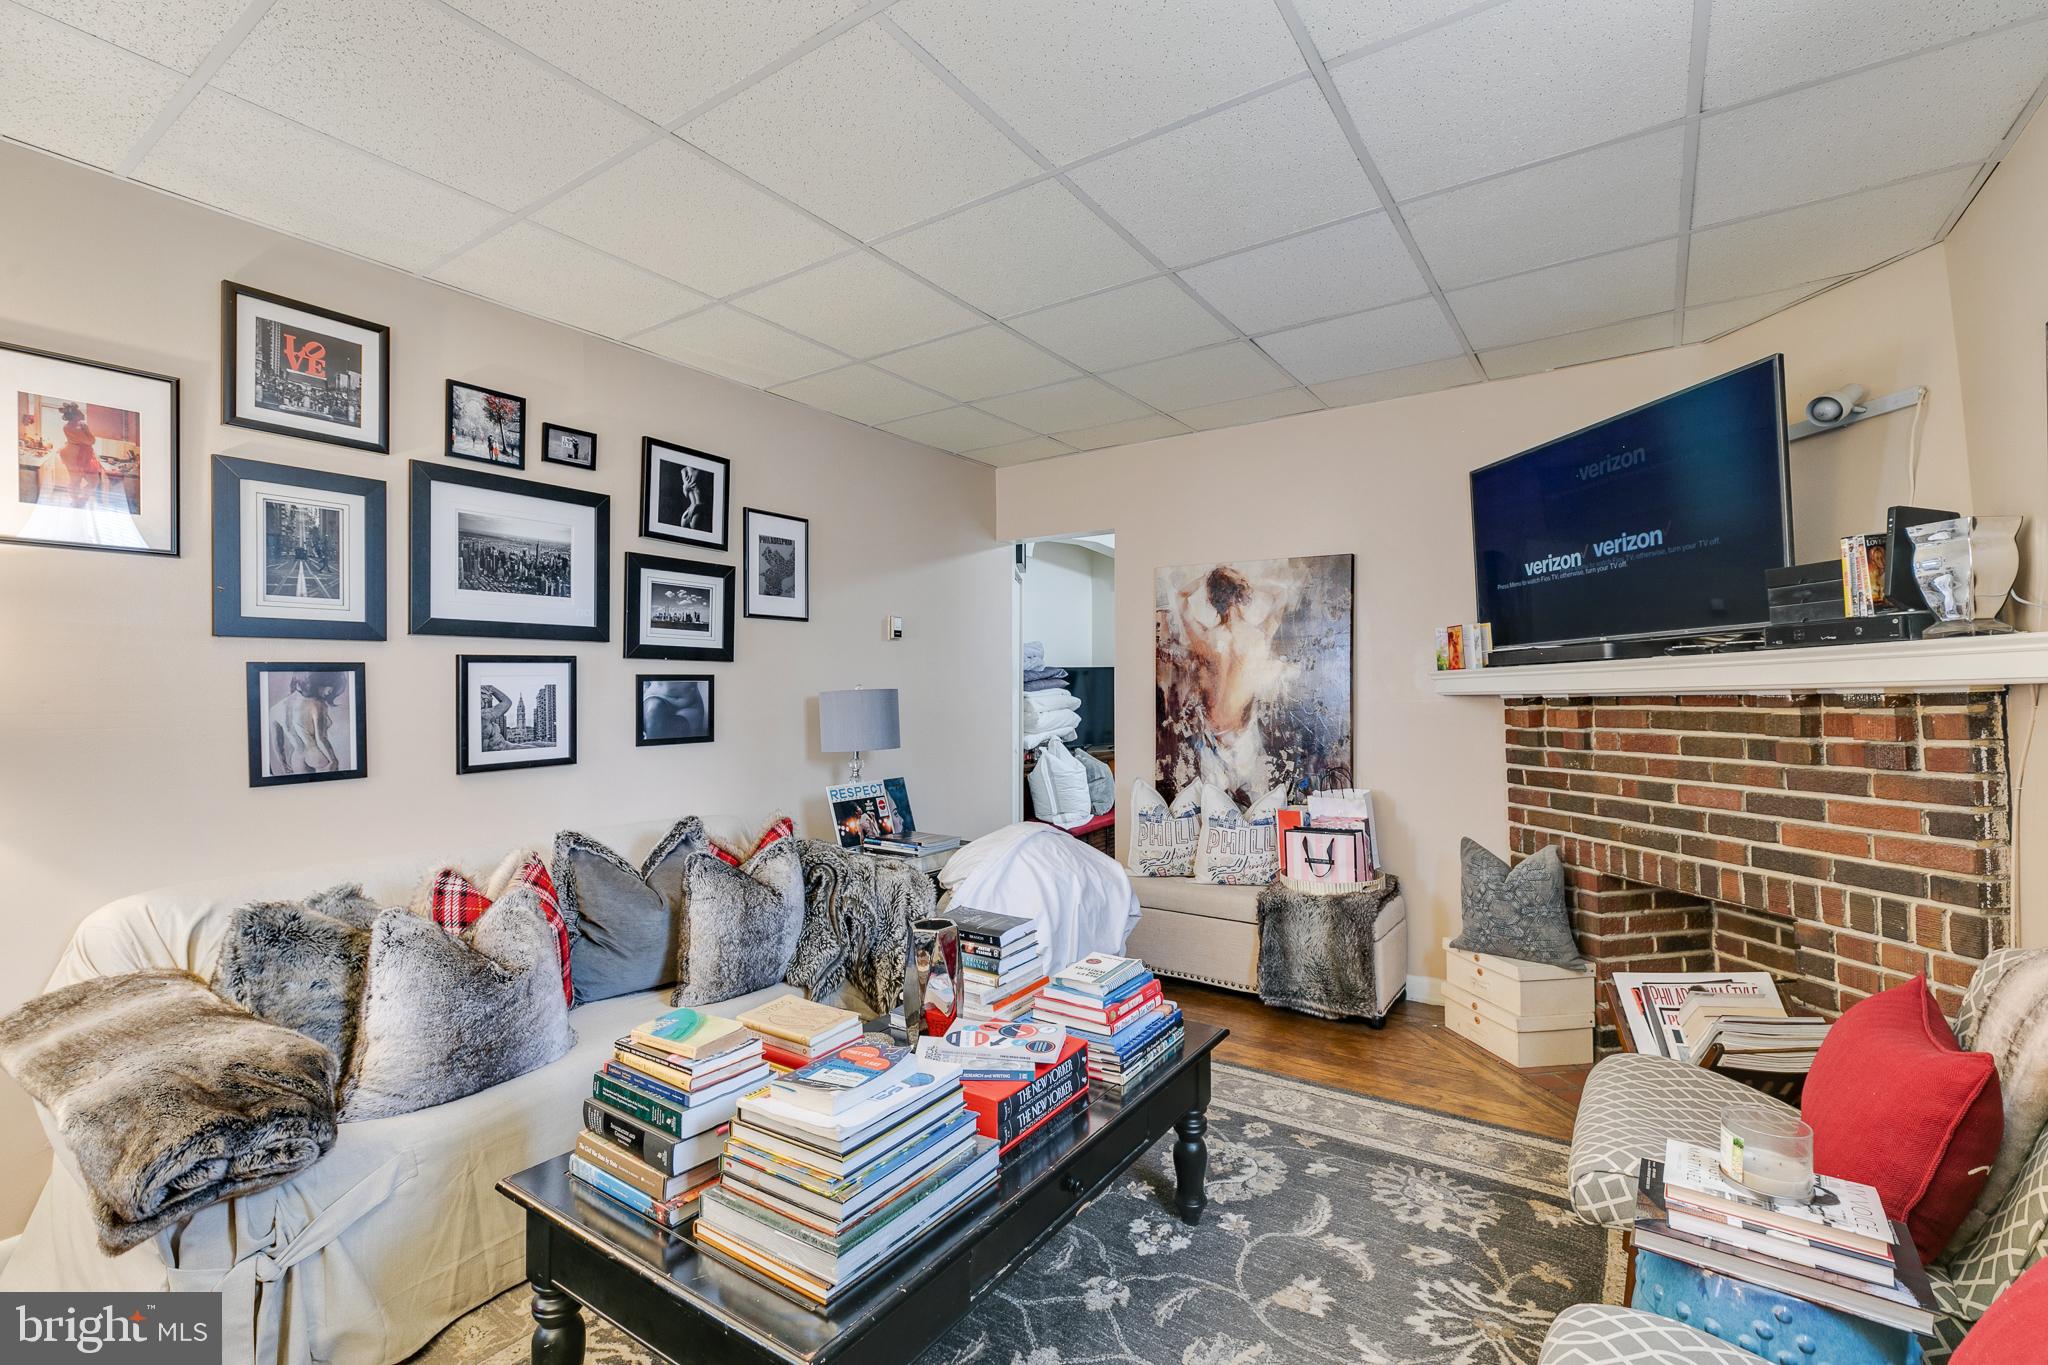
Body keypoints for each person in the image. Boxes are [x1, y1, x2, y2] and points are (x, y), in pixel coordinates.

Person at [54, 402, 103, 507]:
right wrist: (86, 430)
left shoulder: (71, 426)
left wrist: (85, 429)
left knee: (87, 481)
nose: (82, 414)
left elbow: (88, 441)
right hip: (75, 455)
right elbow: (91, 441)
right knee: (80, 480)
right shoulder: (75, 427)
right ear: (75, 415)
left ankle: (80, 500)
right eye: (79, 413)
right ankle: (77, 500)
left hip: (76, 454)